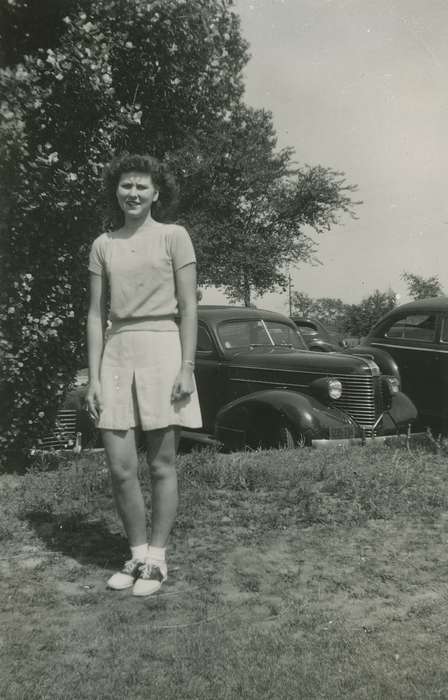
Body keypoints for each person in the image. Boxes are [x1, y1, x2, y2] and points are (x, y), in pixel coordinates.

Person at [85, 153, 202, 597]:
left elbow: (189, 306)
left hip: (164, 346)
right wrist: (94, 376)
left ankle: (156, 559)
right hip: (117, 351)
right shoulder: (104, 244)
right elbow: (95, 315)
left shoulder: (175, 236)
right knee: (119, 466)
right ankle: (135, 555)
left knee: (161, 462)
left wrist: (187, 366)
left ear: (156, 193)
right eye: (125, 186)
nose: (132, 193)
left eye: (141, 187)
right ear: (116, 191)